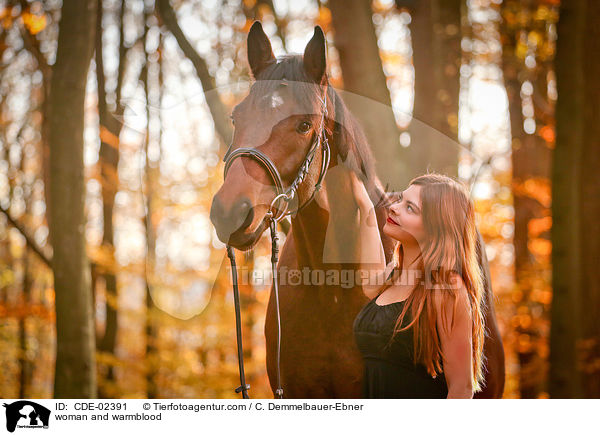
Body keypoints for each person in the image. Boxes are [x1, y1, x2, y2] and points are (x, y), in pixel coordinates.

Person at [350, 172, 487, 399]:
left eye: (410, 208)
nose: (394, 208)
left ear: (437, 228)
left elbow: (461, 389)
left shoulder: (447, 288)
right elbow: (368, 283)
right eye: (400, 200)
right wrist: (365, 205)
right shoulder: (393, 276)